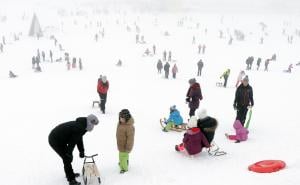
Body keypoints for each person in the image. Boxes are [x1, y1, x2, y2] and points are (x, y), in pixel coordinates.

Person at [48, 114, 99, 185]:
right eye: (93, 124)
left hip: (61, 139)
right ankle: (71, 180)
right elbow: (72, 142)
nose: (93, 127)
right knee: (67, 158)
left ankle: (69, 173)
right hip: (55, 140)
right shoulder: (79, 127)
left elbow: (78, 139)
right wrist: (69, 153)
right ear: (89, 122)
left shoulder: (82, 125)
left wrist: (81, 151)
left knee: (68, 157)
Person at [116, 109, 135, 174]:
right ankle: (125, 162)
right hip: (120, 144)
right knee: (123, 155)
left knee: (122, 156)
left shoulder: (129, 127)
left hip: (125, 146)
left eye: (122, 118)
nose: (121, 119)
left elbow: (130, 139)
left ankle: (124, 168)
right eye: (120, 118)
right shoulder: (121, 123)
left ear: (126, 119)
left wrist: (128, 148)